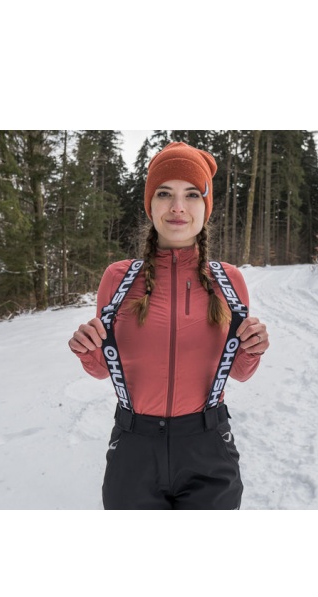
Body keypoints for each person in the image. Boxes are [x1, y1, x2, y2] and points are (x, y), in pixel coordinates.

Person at [68, 141, 270, 509]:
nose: (178, 206)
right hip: (134, 448)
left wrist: (253, 349)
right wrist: (87, 349)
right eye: (165, 193)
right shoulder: (119, 278)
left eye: (192, 194)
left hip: (208, 446)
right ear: (150, 203)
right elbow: (101, 369)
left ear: (205, 206)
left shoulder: (229, 281)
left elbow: (240, 372)